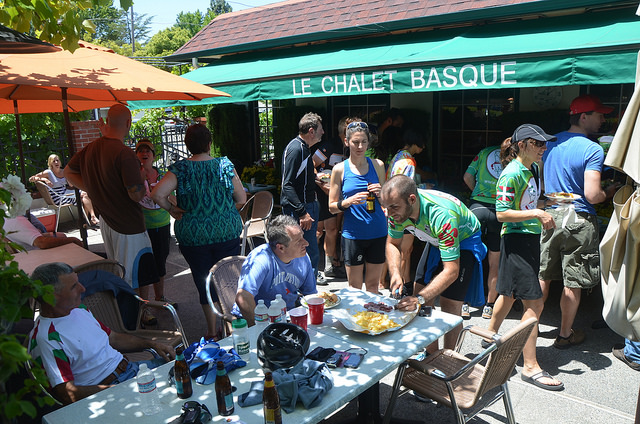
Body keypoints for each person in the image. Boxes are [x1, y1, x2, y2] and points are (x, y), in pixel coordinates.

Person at [27, 262, 175, 405]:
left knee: (190, 368)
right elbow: (66, 393)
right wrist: (118, 391)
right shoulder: (46, 338)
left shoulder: (78, 309)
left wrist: (152, 344)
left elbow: (112, 338)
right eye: (74, 286)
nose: (83, 289)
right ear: (51, 295)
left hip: (131, 370)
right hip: (108, 390)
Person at [485, 124, 563, 391]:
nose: (544, 148)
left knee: (507, 293)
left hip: (527, 239)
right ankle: (530, 367)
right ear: (522, 145)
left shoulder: (533, 169)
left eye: (544, 144)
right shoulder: (510, 174)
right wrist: (537, 214)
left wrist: (549, 205)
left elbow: (528, 203)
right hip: (516, 240)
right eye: (538, 143)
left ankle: (489, 335)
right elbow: (502, 214)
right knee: (535, 304)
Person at [152, 123, 246, 340]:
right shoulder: (224, 165)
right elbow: (241, 199)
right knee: (227, 279)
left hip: (193, 236)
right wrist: (221, 212)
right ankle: (230, 327)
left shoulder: (180, 169)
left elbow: (157, 194)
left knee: (203, 279)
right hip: (226, 231)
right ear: (209, 144)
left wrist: (173, 210)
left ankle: (212, 331)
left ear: (187, 145)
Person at [539, 94, 619, 349]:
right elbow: (593, 195)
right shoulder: (592, 148)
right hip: (578, 217)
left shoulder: (549, 143)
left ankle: (531, 326)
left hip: (550, 213)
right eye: (599, 115)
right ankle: (564, 334)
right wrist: (611, 192)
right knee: (572, 281)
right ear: (583, 116)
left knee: (544, 276)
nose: (602, 120)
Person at [380, 175, 486, 349]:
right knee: (420, 297)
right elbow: (392, 243)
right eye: (386, 207)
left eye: (393, 208)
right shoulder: (397, 208)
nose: (389, 214)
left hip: (464, 240)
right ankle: (431, 354)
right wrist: (396, 274)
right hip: (435, 239)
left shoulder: (442, 215)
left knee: (450, 307)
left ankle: (450, 359)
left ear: (411, 199)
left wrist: (419, 299)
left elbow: (451, 271)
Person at [64, 104, 159, 293]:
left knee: (119, 271)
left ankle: (128, 316)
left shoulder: (90, 148)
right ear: (128, 123)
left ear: (107, 122)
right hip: (127, 225)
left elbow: (68, 172)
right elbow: (136, 195)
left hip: (107, 222)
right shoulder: (125, 154)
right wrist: (141, 177)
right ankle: (134, 319)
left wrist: (93, 189)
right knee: (132, 276)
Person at [329, 121, 387, 293]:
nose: (360, 146)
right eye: (355, 142)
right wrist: (348, 201)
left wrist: (381, 192)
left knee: (372, 287)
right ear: (346, 142)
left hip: (378, 232)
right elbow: (332, 207)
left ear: (369, 142)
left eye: (363, 141)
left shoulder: (378, 165)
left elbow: (386, 203)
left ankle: (373, 320)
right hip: (353, 235)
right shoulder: (339, 169)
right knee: (354, 289)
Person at [233, 215, 316, 325]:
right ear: (280, 247)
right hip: (255, 320)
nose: (306, 243)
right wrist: (262, 329)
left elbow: (310, 295)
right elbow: (243, 297)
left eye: (303, 237)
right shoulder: (261, 259)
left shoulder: (303, 257)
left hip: (286, 317)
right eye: (298, 241)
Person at [462, 141, 505, 320]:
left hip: (477, 208)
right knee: (495, 262)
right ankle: (489, 305)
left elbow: (467, 177)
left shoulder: (484, 151)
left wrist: (477, 194)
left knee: (470, 257)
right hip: (499, 210)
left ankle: (464, 304)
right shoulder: (512, 154)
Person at [281, 112, 323, 282]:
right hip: (301, 208)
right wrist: (302, 212)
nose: (323, 132)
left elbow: (298, 179)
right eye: (321, 129)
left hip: (307, 205)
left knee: (308, 251)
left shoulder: (303, 147)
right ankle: (306, 294)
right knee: (304, 252)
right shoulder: (296, 148)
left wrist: (315, 179)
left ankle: (306, 291)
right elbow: (287, 184)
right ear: (311, 131)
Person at [385, 128, 428, 288]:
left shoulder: (397, 156)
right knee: (406, 251)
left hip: (391, 206)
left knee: (391, 245)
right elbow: (407, 188)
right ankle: (405, 283)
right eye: (422, 145)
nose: (423, 148)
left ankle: (385, 282)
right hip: (404, 211)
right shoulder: (409, 162)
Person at [135, 139, 175, 307]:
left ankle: (160, 297)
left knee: (160, 262)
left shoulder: (164, 175)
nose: (144, 153)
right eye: (141, 150)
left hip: (162, 224)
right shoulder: (133, 176)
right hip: (142, 227)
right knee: (144, 265)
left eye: (148, 151)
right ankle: (144, 305)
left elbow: (171, 197)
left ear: (153, 155)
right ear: (136, 155)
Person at [312, 117, 348, 281]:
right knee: (318, 230)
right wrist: (321, 185)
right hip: (320, 193)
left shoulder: (349, 148)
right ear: (344, 131)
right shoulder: (329, 146)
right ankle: (310, 267)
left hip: (335, 193)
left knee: (333, 229)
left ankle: (329, 266)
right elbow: (311, 164)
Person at [30, 154, 98, 226]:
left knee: (85, 194)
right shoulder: (48, 172)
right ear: (50, 164)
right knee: (83, 196)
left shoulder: (64, 171)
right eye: (54, 161)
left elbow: (71, 185)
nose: (56, 162)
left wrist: (68, 176)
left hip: (66, 193)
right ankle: (87, 219)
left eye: (57, 160)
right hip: (58, 197)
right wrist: (44, 179)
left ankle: (87, 219)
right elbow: (31, 179)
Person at [3, 215, 82, 250]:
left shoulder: (7, 217)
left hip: (34, 251)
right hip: (41, 257)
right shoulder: (13, 218)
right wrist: (72, 240)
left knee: (62, 235)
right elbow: (41, 243)